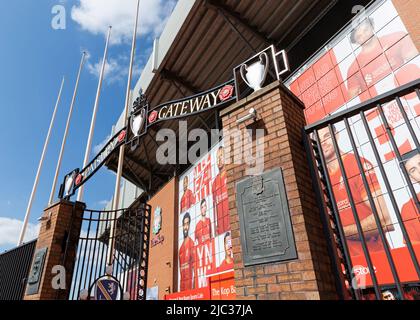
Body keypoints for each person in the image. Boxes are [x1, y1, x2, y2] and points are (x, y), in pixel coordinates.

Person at [318, 125, 393, 256]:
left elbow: (384, 220)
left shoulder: (356, 164)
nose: (323, 143)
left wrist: (338, 232)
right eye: (318, 140)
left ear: (337, 135)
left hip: (376, 259)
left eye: (327, 136)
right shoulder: (321, 180)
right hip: (344, 266)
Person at [347, 18, 418, 101]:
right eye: (359, 36)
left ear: (372, 26)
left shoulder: (396, 37)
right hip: (381, 105)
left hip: (408, 93)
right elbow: (354, 102)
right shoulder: (353, 69)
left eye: (365, 30)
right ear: (355, 41)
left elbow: (415, 60)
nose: (364, 35)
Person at [400, 149, 420, 243]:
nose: (419, 171)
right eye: (413, 170)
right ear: (411, 178)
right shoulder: (408, 208)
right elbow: (414, 249)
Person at [212, 146, 230, 236]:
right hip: (221, 230)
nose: (219, 160)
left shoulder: (230, 174)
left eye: (221, 156)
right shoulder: (214, 182)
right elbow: (214, 207)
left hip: (232, 224)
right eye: (217, 158)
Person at [179, 212, 195, 291]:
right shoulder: (180, 248)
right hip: (181, 291)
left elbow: (195, 269)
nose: (185, 227)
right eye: (184, 224)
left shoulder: (192, 244)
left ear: (189, 226)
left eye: (187, 224)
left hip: (190, 290)